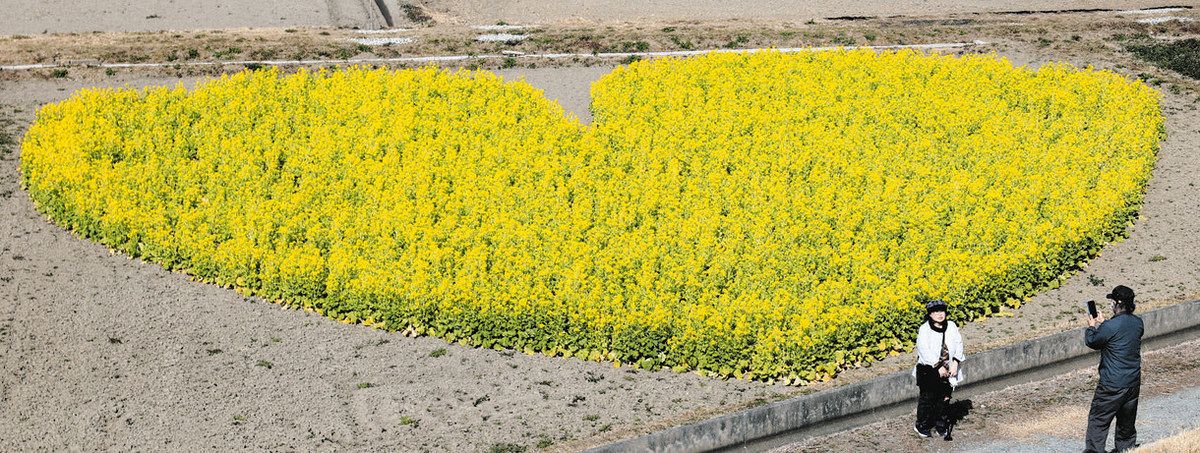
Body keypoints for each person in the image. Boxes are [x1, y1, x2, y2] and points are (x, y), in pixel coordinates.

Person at [1083, 285, 1144, 453]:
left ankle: (1095, 451)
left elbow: (1093, 341)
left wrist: (1091, 326)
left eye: (1111, 301)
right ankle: (1127, 449)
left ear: (1117, 303)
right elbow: (1121, 332)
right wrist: (1106, 323)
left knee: (1098, 420)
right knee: (1126, 423)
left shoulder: (1110, 326)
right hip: (1132, 382)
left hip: (1112, 384)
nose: (1110, 305)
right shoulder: (1138, 323)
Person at [913, 299, 965, 441]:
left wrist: (955, 362)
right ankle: (922, 424)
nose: (940, 314)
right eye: (936, 312)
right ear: (930, 314)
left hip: (949, 368)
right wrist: (938, 366)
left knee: (945, 397)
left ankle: (940, 423)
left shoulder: (952, 326)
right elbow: (924, 350)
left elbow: (958, 344)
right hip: (928, 369)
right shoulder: (924, 329)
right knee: (928, 398)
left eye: (942, 311)